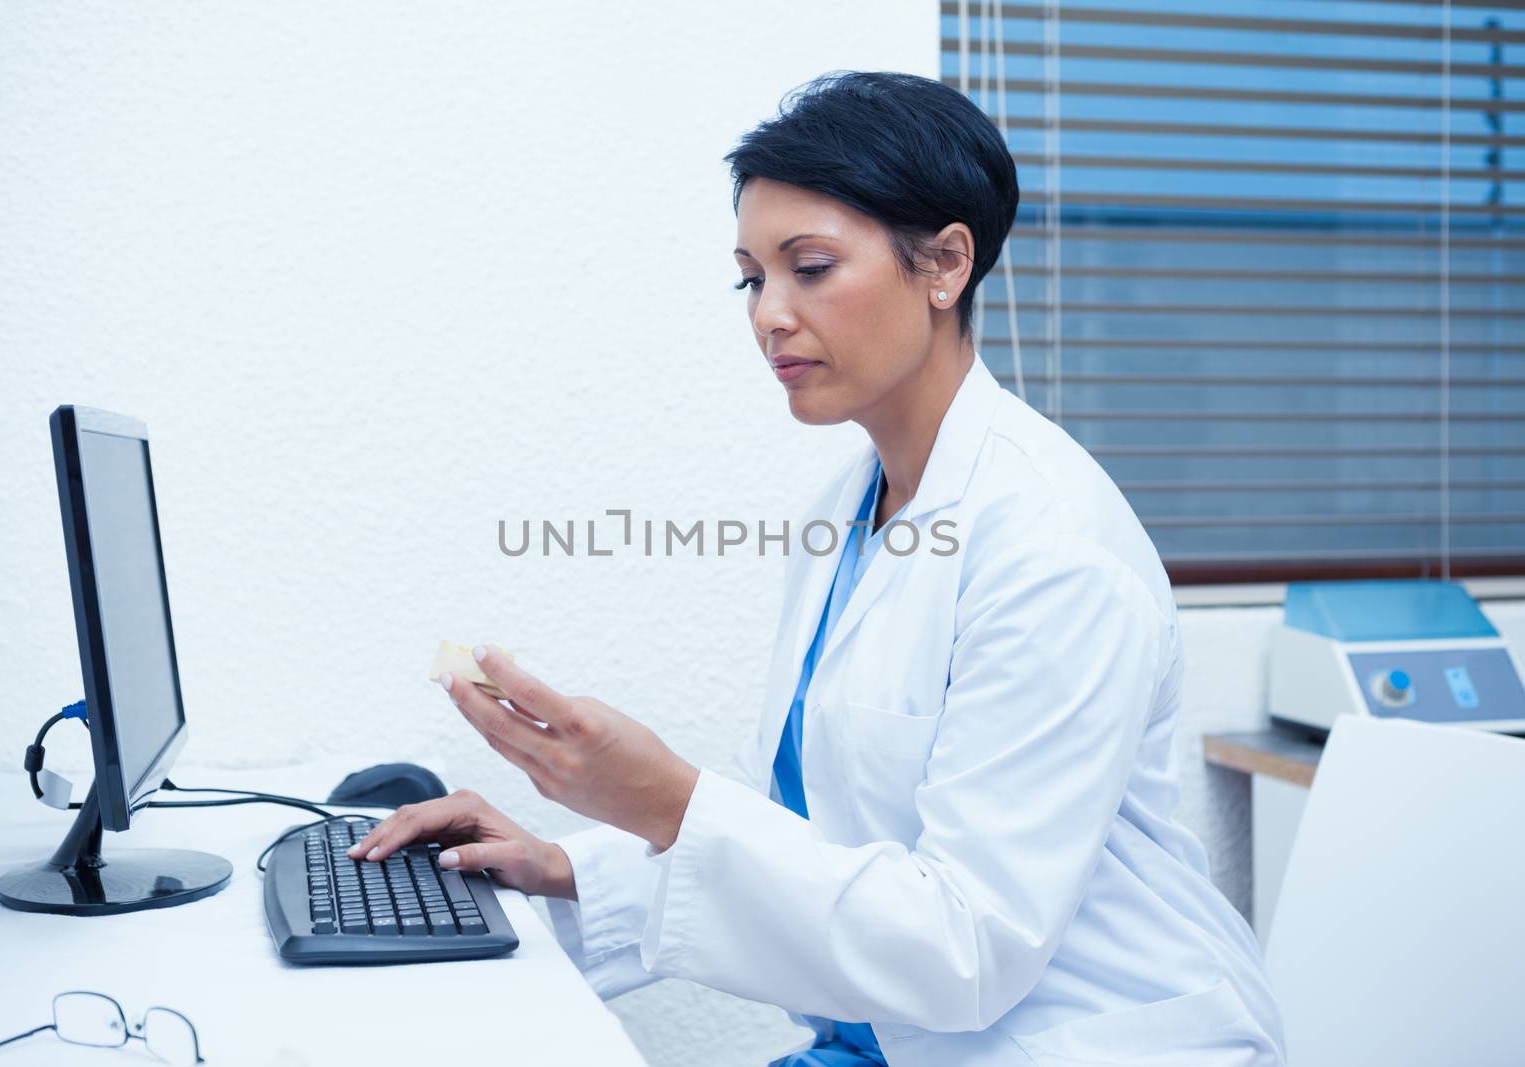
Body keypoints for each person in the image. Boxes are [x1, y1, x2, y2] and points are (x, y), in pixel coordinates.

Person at [351, 70, 1286, 1066]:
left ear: (945, 263)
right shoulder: (848, 507)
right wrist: (562, 866)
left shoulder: (1050, 548)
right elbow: (826, 837)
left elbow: (964, 946)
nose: (768, 315)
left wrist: (666, 796)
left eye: (810, 267)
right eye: (752, 277)